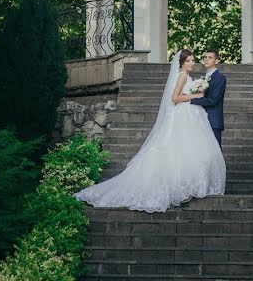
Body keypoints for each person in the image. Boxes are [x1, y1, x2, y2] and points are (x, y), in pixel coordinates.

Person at [74, 49, 226, 213]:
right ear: (181, 63)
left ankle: (187, 182)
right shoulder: (182, 76)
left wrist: (196, 94)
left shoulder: (189, 78)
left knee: (185, 149)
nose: (192, 63)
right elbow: (174, 98)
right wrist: (194, 97)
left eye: (192, 60)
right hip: (183, 114)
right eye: (188, 61)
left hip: (190, 114)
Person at [173, 49, 226, 148]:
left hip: (213, 120)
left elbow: (213, 100)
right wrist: (194, 95)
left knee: (214, 153)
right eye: (205, 57)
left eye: (210, 58)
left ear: (217, 61)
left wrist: (191, 99)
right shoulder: (202, 78)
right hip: (198, 118)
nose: (206, 60)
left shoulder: (220, 77)